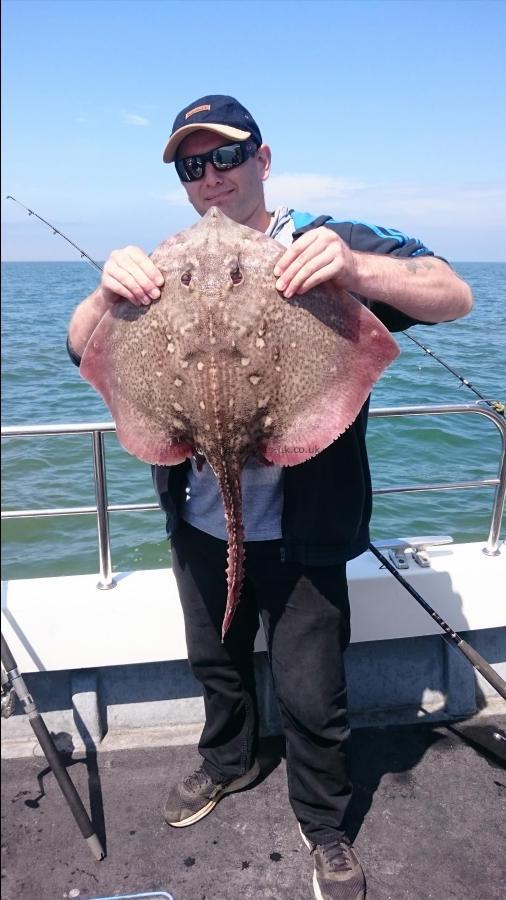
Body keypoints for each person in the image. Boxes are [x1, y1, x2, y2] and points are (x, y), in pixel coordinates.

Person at [67, 95, 472, 900]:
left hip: (307, 529)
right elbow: (82, 346)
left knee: (313, 689)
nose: (210, 178)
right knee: (215, 660)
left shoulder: (324, 243)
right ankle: (229, 760)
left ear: (263, 158)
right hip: (197, 519)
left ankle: (323, 824)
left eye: (224, 157)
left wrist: (353, 271)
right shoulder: (164, 260)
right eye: (192, 165)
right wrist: (106, 294)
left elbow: (453, 293)